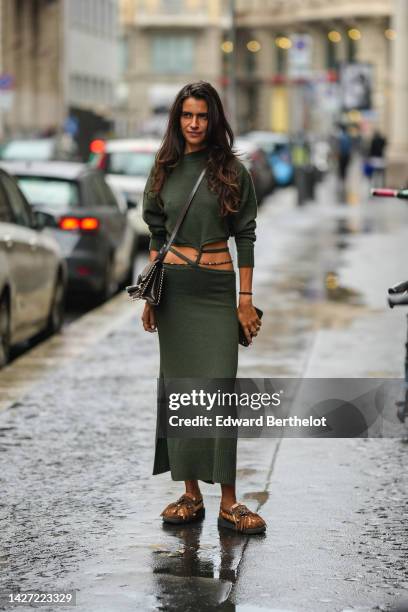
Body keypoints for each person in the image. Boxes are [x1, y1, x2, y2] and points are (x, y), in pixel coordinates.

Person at [141, 81, 266, 535]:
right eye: (186, 116)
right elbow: (156, 232)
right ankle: (191, 494)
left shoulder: (232, 171)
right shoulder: (163, 167)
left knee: (218, 391)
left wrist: (244, 300)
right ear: (177, 119)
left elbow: (246, 235)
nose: (194, 124)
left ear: (215, 120)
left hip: (216, 290)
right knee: (182, 390)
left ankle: (229, 501)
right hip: (174, 292)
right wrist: (153, 298)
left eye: (202, 116)